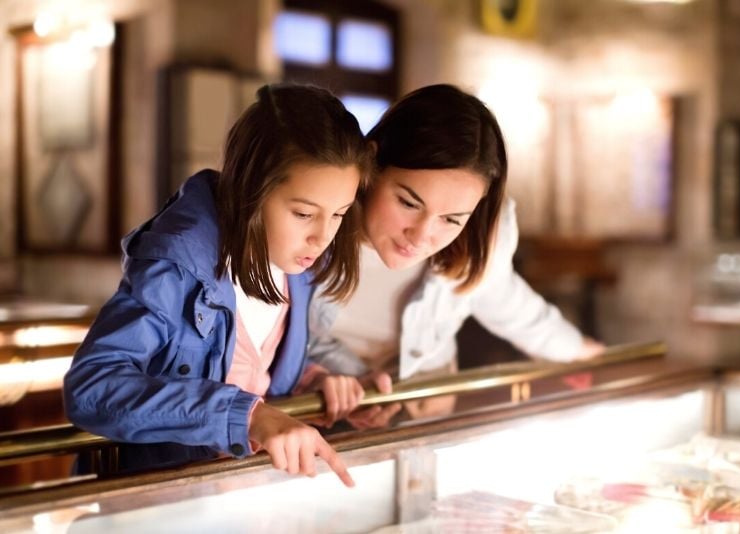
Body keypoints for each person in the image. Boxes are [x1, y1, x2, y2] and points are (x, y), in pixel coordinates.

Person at [63, 83, 379, 486]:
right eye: (303, 213)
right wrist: (246, 416)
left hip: (237, 497)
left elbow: (253, 371)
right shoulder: (176, 269)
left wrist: (316, 381)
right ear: (250, 190)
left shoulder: (298, 269)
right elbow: (93, 387)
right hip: (154, 504)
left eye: (338, 214)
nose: (322, 237)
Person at [308, 84, 603, 424]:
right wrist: (331, 378)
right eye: (408, 202)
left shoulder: (480, 237)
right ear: (372, 163)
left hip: (424, 411)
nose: (421, 235)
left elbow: (507, 303)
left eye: (451, 219)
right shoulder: (316, 219)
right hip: (318, 408)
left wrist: (579, 351)